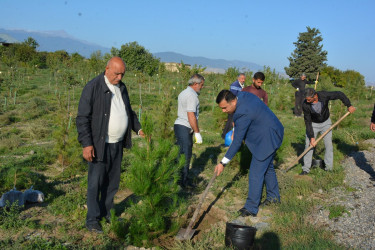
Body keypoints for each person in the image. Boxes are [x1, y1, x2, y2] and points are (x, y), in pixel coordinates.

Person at [76, 57, 144, 233]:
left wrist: (138, 128)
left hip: (117, 144)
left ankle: (107, 212)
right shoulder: (93, 87)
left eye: (122, 74)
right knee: (95, 183)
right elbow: (82, 118)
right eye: (116, 73)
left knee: (112, 182)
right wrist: (86, 144)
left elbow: (128, 111)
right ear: (107, 69)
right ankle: (92, 219)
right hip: (99, 144)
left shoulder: (122, 87)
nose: (120, 77)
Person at [214, 90, 284, 217]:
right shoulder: (242, 95)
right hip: (273, 129)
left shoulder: (243, 113)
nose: (223, 111)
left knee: (255, 173)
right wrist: (235, 127)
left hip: (267, 138)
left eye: (225, 108)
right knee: (267, 168)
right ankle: (273, 198)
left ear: (233, 101)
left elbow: (236, 143)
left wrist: (222, 163)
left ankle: (251, 208)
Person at [300, 88, 356, 175]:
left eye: (308, 99)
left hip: (326, 123)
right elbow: (307, 121)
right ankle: (306, 169)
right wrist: (312, 137)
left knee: (328, 145)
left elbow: (339, 94)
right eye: (306, 99)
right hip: (313, 124)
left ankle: (328, 168)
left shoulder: (324, 95)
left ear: (314, 96)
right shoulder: (305, 104)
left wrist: (349, 105)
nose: (307, 100)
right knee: (309, 145)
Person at [174, 74, 205, 187]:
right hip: (185, 127)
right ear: (195, 84)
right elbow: (191, 115)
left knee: (179, 154)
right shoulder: (192, 96)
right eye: (201, 85)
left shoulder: (183, 92)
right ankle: (183, 182)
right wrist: (197, 132)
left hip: (179, 126)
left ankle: (177, 179)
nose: (202, 87)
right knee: (186, 155)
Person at [222, 73, 246, 139]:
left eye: (244, 79)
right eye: (242, 78)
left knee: (233, 120)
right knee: (231, 120)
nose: (243, 80)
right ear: (238, 78)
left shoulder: (242, 86)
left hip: (237, 106)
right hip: (232, 106)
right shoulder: (235, 85)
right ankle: (225, 135)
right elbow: (233, 96)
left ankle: (229, 135)